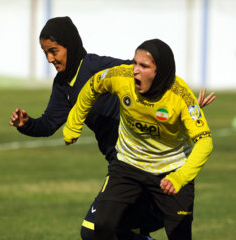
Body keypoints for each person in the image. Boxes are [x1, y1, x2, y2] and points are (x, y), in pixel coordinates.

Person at [9, 17, 215, 239]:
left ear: (70, 44)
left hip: (153, 165)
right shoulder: (62, 85)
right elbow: (49, 123)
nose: (50, 58)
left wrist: (186, 105)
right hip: (124, 167)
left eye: (54, 51)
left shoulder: (99, 67)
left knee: (98, 230)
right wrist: (27, 124)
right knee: (106, 230)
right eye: (45, 52)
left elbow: (148, 73)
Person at [63, 39, 213, 239]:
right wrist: (73, 124)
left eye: (144, 66)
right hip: (127, 166)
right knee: (101, 229)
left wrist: (179, 177)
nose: (134, 70)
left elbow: (205, 142)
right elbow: (92, 86)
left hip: (171, 172)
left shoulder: (182, 97)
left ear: (160, 72)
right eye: (135, 63)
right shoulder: (121, 76)